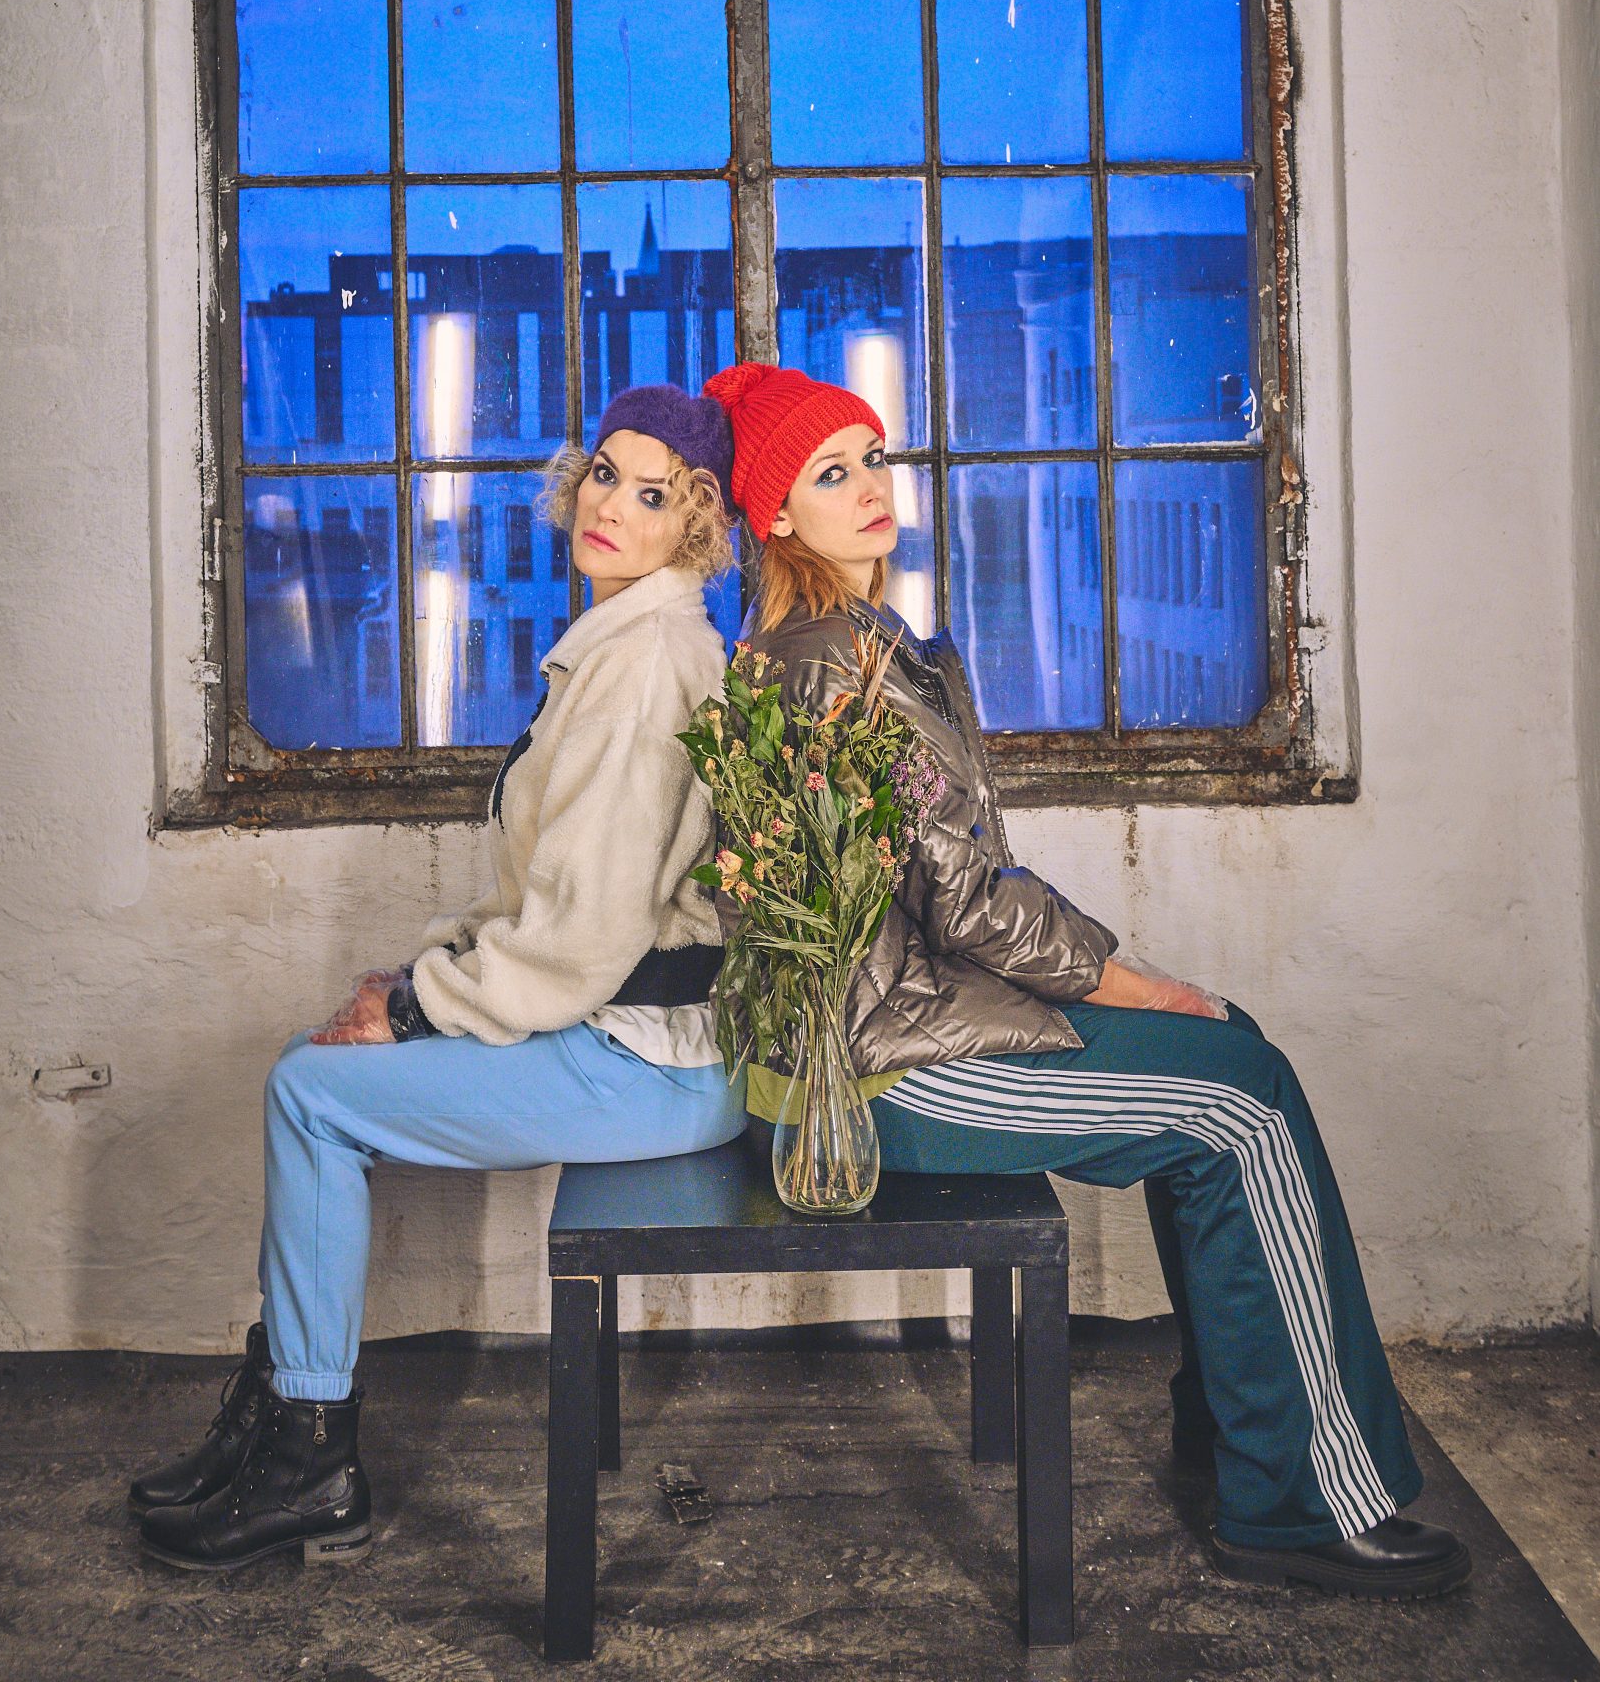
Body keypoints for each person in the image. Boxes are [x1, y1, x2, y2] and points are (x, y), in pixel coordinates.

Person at [701, 360, 1470, 1601]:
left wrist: (1130, 984)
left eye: (873, 457)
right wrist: (1138, 984)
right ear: (775, 513)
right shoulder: (831, 661)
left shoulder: (858, 644)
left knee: (1236, 1048)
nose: (870, 486)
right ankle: (1295, 1504)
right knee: (1239, 1102)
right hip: (885, 1070)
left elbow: (941, 890)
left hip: (900, 1018)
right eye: (829, 472)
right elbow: (966, 900)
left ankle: (1241, 1427)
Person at [133, 385, 746, 1573]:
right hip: (622, 1034)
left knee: (308, 1095)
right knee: (314, 1068)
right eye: (604, 472)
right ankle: (275, 1415)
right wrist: (420, 974)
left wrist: (416, 1006)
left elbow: (579, 941)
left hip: (649, 1061)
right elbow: (543, 899)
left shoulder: (645, 666)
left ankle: (310, 1455)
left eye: (652, 492)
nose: (611, 505)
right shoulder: (623, 645)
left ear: (696, 524)